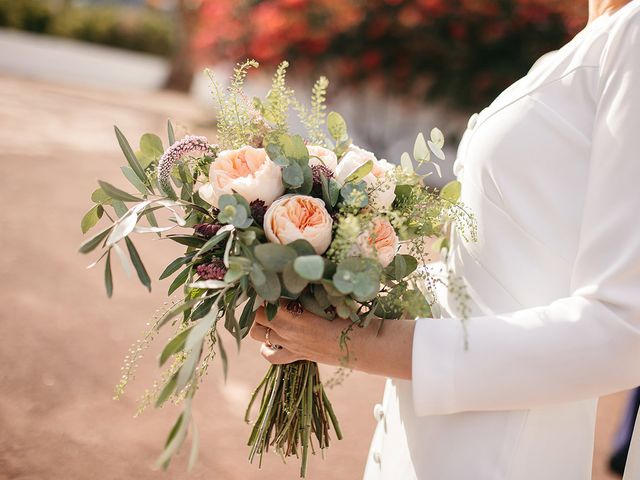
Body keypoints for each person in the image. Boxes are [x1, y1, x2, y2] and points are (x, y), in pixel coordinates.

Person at [248, 1, 640, 478]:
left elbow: (625, 330)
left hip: (498, 455)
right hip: (433, 440)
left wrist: (359, 345)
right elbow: (496, 271)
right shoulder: (592, 37)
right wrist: (343, 289)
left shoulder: (633, 34)